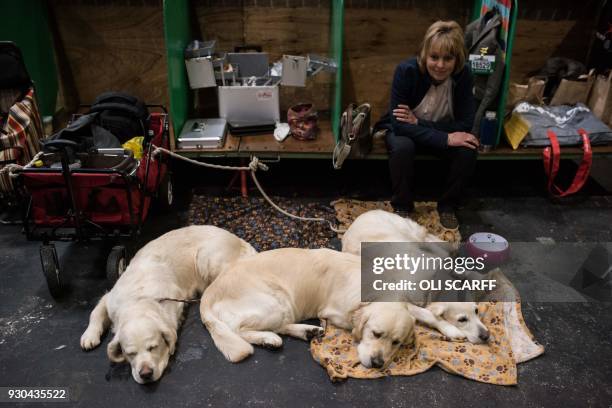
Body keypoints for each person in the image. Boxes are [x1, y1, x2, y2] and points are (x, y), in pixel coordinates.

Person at [375, 20, 478, 230]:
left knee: (468, 149)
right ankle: (402, 205)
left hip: (433, 127)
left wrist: (419, 122)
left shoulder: (465, 75)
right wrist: (446, 137)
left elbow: (465, 124)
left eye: (447, 58)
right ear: (425, 54)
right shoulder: (406, 71)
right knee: (403, 146)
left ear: (457, 59)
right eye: (434, 57)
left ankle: (448, 206)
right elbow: (400, 125)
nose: (440, 65)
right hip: (408, 133)